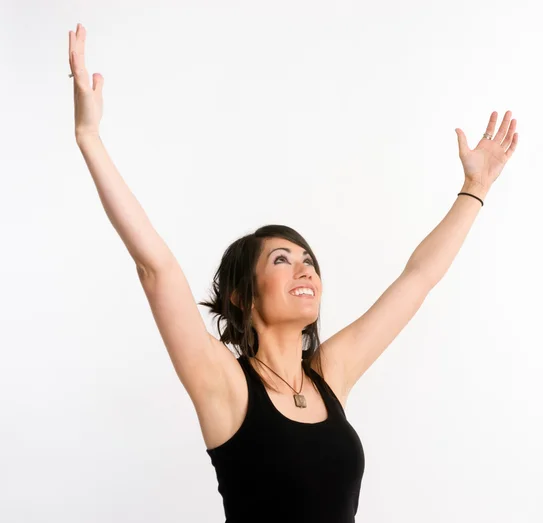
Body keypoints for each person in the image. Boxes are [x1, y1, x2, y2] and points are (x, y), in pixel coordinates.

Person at [68, 22, 518, 523]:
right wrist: (89, 137)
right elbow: (157, 268)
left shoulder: (330, 375)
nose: (304, 268)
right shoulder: (227, 385)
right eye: (281, 260)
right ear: (242, 295)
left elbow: (417, 279)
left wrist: (475, 189)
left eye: (308, 260)